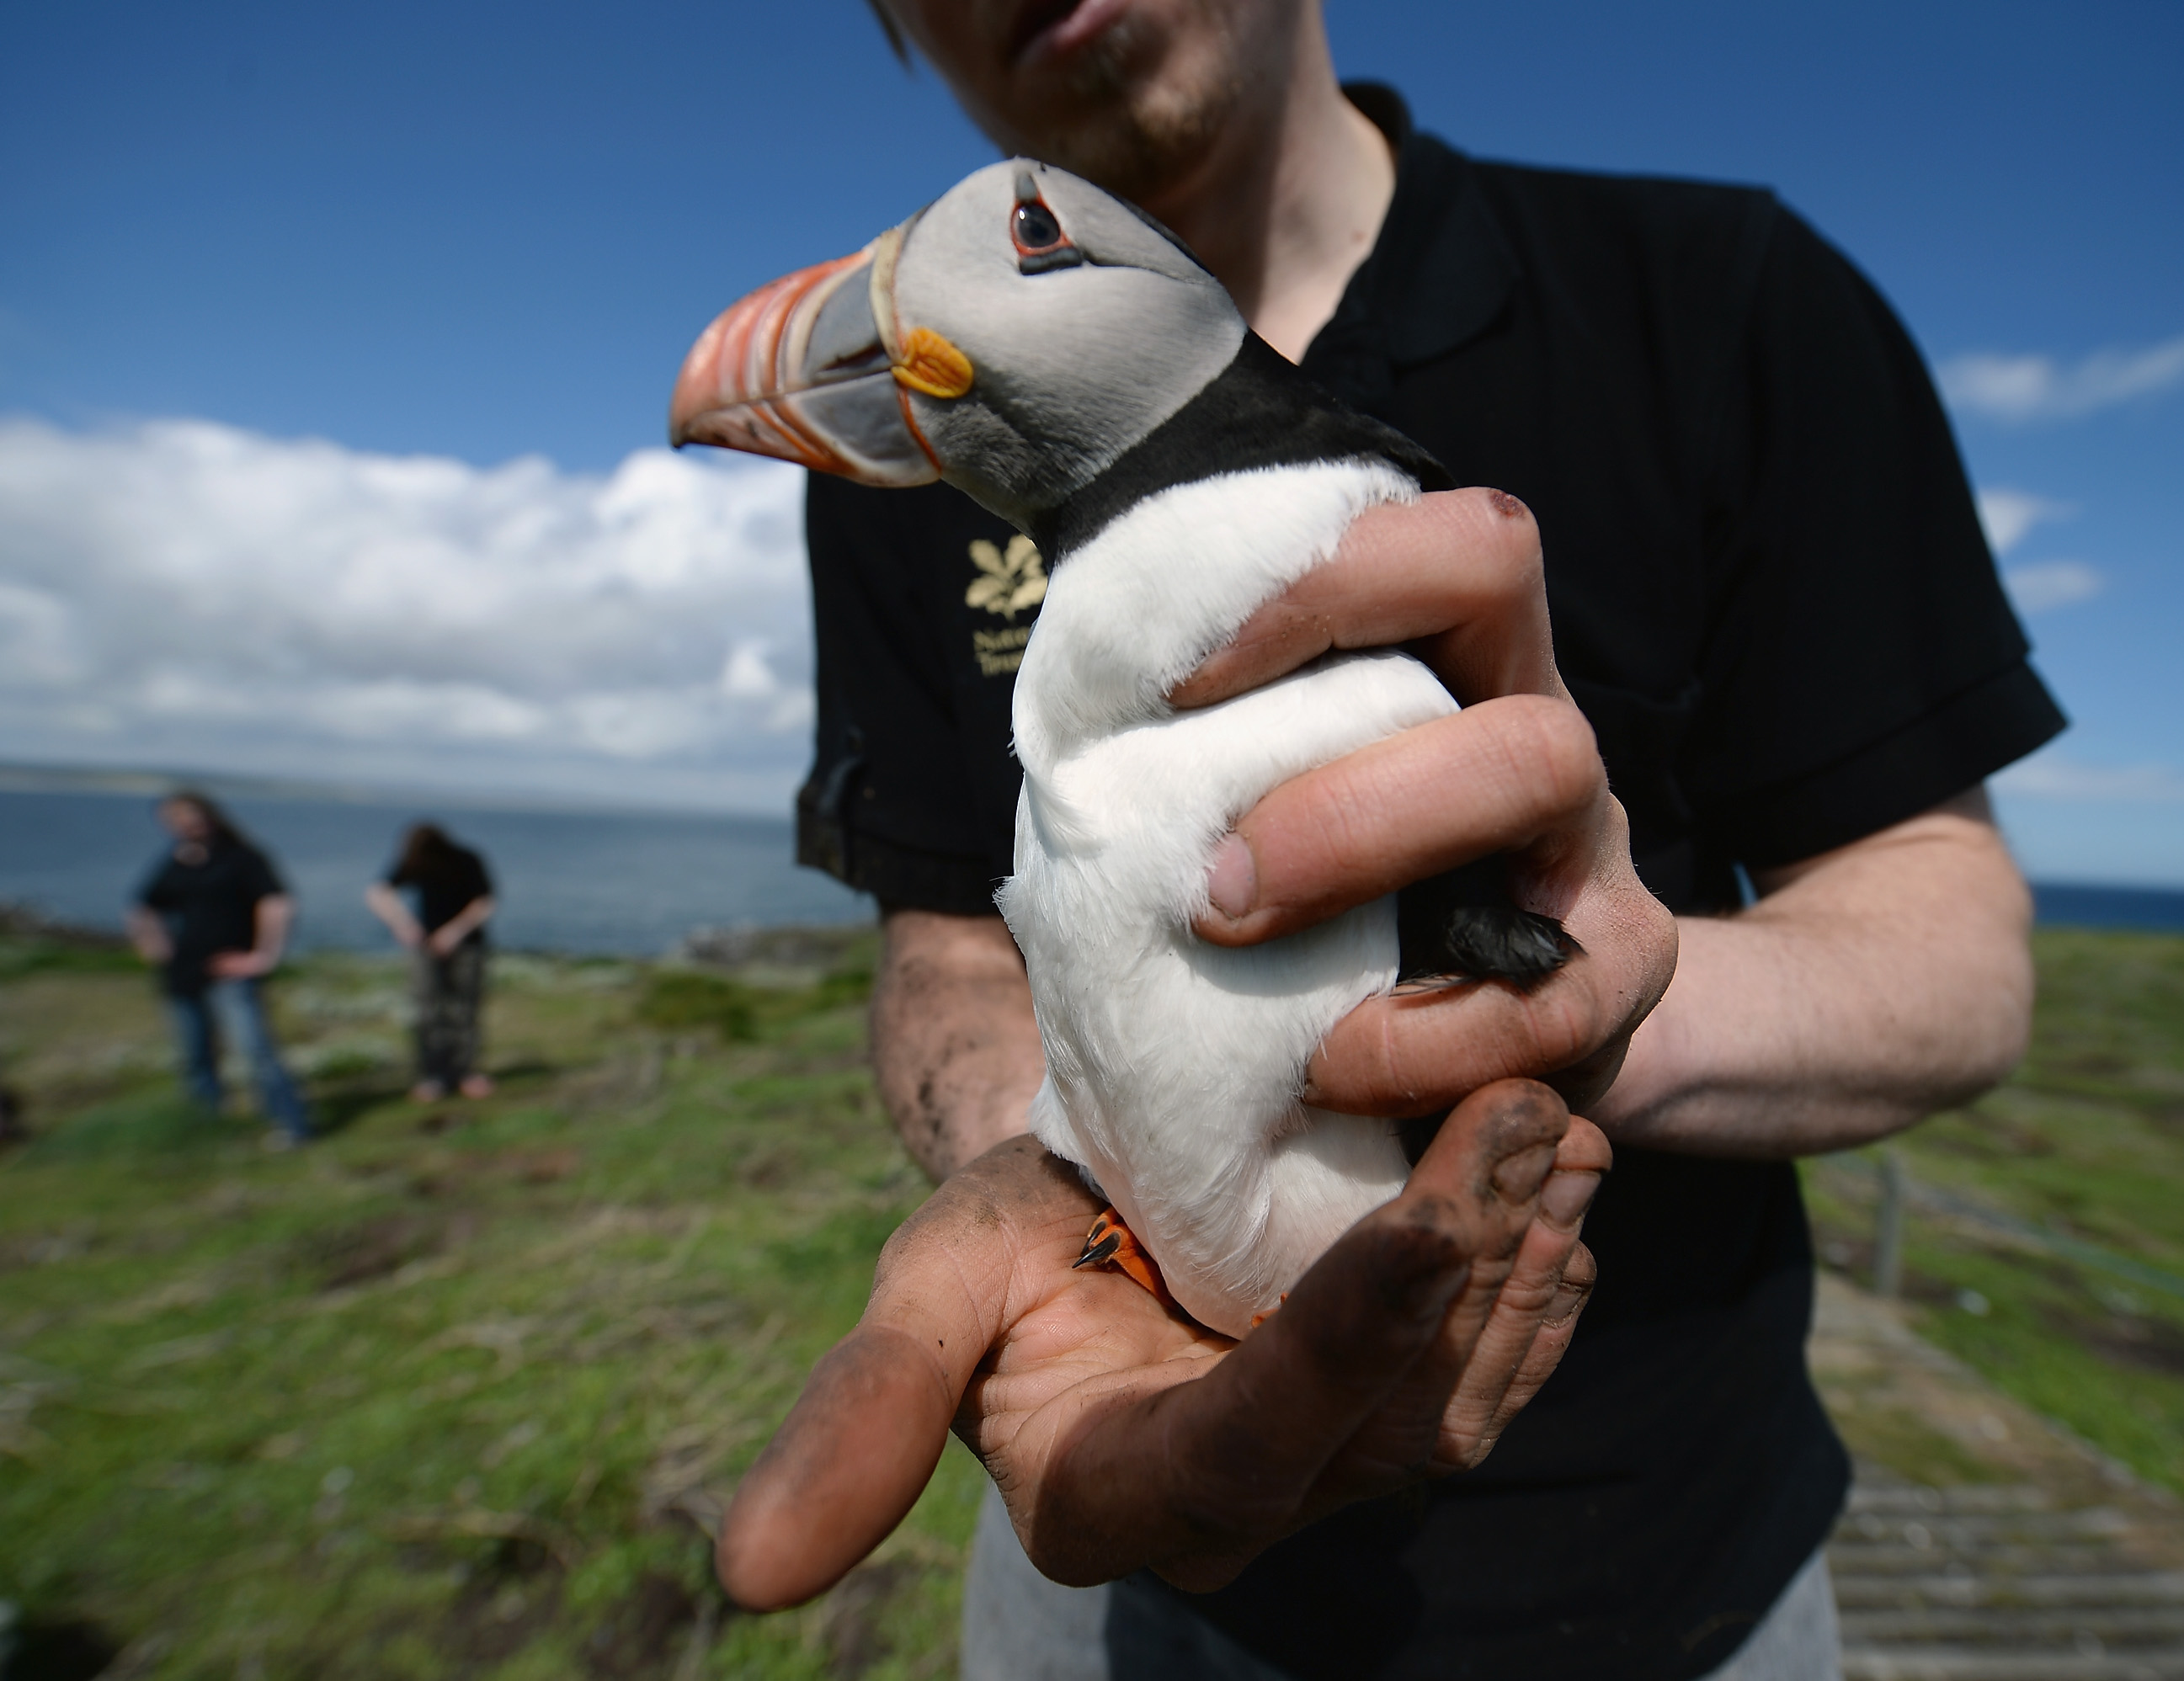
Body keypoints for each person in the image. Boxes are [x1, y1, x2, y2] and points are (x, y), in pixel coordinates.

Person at [726, 3, 2069, 1677]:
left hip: (1669, 1570)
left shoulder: (1718, 295)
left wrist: (1571, 994)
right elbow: (943, 941)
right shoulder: (928, 445)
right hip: (1129, 1565)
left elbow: (1950, 952)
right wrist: (1087, 1154)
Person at [126, 792, 314, 1148]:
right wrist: (154, 947)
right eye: (174, 818)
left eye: (191, 815)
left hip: (231, 970)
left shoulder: (241, 858)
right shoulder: (176, 862)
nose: (185, 823)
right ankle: (209, 1129)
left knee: (256, 1050)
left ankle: (292, 1125)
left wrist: (264, 956)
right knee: (196, 1056)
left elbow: (278, 903)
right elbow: (142, 906)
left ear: (211, 816)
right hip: (184, 973)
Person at [364, 822, 498, 1102]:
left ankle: (465, 1072)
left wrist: (453, 932)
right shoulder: (417, 861)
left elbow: (484, 901)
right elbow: (377, 892)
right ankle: (433, 1075)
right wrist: (403, 925)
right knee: (427, 1010)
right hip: (425, 946)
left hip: (468, 945)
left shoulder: (466, 859)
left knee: (464, 1009)